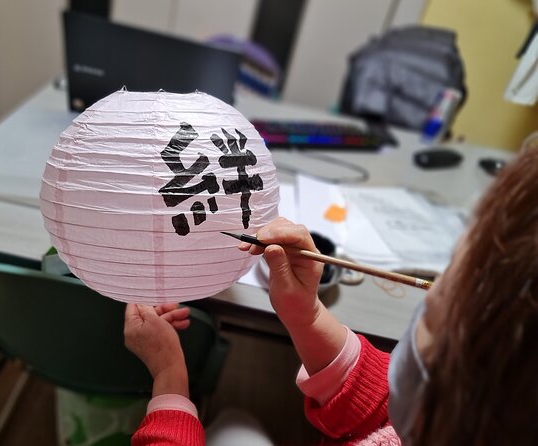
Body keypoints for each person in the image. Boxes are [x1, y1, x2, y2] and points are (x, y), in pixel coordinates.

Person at [123, 148, 538, 445]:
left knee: (234, 424)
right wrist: (305, 315)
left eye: (434, 311)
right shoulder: (444, 419)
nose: (431, 295)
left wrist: (170, 381)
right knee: (236, 421)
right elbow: (388, 409)